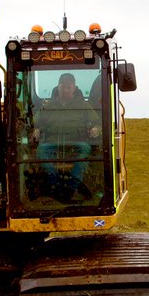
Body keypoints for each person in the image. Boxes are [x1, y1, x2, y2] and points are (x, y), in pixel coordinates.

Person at [32, 72, 101, 201]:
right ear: (58, 87)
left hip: (77, 144)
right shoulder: (47, 106)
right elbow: (35, 123)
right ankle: (55, 183)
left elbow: (98, 123)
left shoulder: (84, 106)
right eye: (63, 86)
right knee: (41, 151)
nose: (65, 89)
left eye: (69, 86)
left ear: (74, 88)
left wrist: (96, 129)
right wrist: (35, 130)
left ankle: (70, 187)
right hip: (51, 144)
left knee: (85, 150)